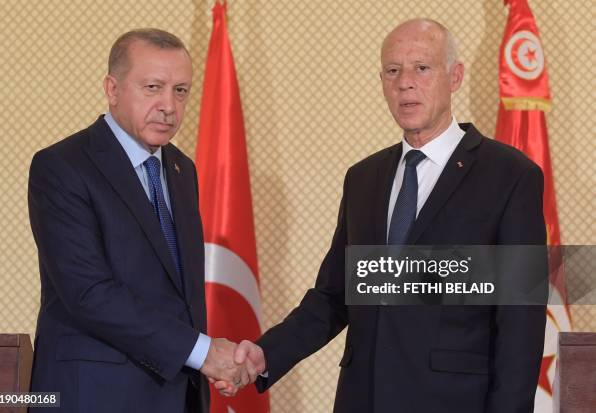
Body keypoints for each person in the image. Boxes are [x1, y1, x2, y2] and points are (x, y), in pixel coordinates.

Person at [221, 18, 547, 412]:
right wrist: (265, 355)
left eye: (421, 68)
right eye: (393, 70)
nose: (405, 82)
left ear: (455, 76)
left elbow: (520, 325)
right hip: (364, 398)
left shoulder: (510, 175)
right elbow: (334, 296)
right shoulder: (363, 178)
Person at [28, 29, 252, 413]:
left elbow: (179, 296)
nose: (169, 105)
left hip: (176, 395)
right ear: (112, 89)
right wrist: (203, 352)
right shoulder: (63, 166)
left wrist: (205, 361)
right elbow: (89, 293)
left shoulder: (183, 170)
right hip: (93, 397)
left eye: (181, 91)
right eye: (153, 87)